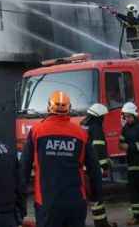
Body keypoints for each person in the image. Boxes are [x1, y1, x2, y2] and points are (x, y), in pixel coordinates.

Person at [21, 91, 103, 227]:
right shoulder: (81, 134)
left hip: (47, 203)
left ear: (49, 108)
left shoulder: (36, 131)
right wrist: (96, 196)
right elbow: (94, 169)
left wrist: (20, 201)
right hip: (76, 202)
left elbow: (24, 168)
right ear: (68, 109)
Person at [82, 104, 118, 227]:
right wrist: (104, 166)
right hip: (93, 169)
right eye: (103, 116)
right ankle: (101, 223)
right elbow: (98, 150)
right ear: (98, 117)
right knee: (97, 197)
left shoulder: (85, 127)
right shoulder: (96, 128)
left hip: (84, 168)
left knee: (90, 197)